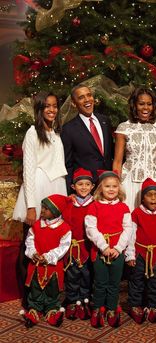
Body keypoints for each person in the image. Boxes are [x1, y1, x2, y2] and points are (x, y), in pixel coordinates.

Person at [13, 91, 68, 307]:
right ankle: (28, 300)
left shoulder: (55, 132)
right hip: (38, 189)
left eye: (54, 106)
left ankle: (48, 297)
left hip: (56, 187)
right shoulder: (32, 132)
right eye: (47, 106)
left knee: (51, 243)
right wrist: (31, 206)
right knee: (31, 245)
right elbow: (28, 171)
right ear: (39, 109)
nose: (52, 110)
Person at [84, 170, 133, 328]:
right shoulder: (94, 207)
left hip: (117, 251)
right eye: (107, 186)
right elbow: (91, 229)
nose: (111, 189)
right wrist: (104, 246)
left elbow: (128, 229)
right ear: (100, 189)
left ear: (119, 188)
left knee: (114, 282)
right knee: (100, 281)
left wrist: (118, 248)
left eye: (114, 186)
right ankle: (98, 308)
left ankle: (112, 308)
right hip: (100, 251)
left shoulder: (124, 207)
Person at [113, 87, 156, 212]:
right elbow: (117, 161)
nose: (145, 108)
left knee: (152, 222)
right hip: (129, 181)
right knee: (128, 219)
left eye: (149, 104)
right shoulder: (124, 128)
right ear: (134, 105)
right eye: (141, 104)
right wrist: (115, 185)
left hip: (155, 181)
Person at [125, 178, 156, 324]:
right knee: (137, 280)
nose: (153, 198)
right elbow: (131, 236)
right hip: (140, 253)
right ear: (143, 197)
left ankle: (153, 306)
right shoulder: (136, 214)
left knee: (155, 281)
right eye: (149, 195)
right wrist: (130, 254)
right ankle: (135, 305)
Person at [20, 194, 71, 328]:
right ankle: (35, 309)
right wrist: (33, 253)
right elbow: (29, 241)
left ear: (55, 211)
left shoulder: (64, 228)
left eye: (46, 209)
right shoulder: (36, 225)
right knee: (35, 287)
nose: (41, 210)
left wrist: (48, 257)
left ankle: (51, 309)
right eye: (42, 207)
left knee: (52, 288)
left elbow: (64, 247)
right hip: (36, 264)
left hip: (53, 266)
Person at [61, 84, 114, 193]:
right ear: (73, 103)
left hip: (108, 186)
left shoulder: (105, 121)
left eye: (89, 95)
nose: (87, 100)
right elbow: (68, 164)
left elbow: (111, 153)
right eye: (81, 97)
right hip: (85, 190)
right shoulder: (68, 129)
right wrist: (71, 192)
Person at [62, 167, 95, 320]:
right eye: (80, 184)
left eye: (87, 184)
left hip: (87, 246)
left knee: (87, 275)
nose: (83, 187)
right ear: (73, 186)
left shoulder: (95, 204)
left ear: (92, 186)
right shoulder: (68, 203)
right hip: (72, 246)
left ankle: (84, 300)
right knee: (72, 275)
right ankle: (72, 301)